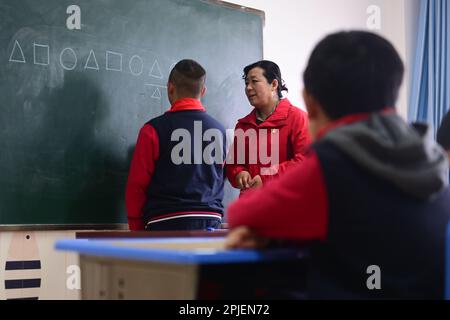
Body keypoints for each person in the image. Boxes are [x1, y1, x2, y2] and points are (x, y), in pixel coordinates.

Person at [226, 31, 450, 299]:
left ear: (310, 101)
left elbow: (242, 214)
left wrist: (275, 231)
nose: (249, 87)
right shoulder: (431, 156)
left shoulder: (330, 163)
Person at [126, 59, 226, 231]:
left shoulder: (152, 130)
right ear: (203, 91)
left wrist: (136, 228)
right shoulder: (220, 131)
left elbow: (137, 184)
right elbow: (223, 176)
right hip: (210, 221)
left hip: (164, 221)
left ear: (170, 87)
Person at [225, 60, 310, 194]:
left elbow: (305, 162)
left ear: (274, 84)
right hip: (251, 207)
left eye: (254, 81)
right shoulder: (243, 125)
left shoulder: (297, 118)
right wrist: (239, 173)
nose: (248, 88)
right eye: (247, 83)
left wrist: (266, 179)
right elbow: (233, 165)